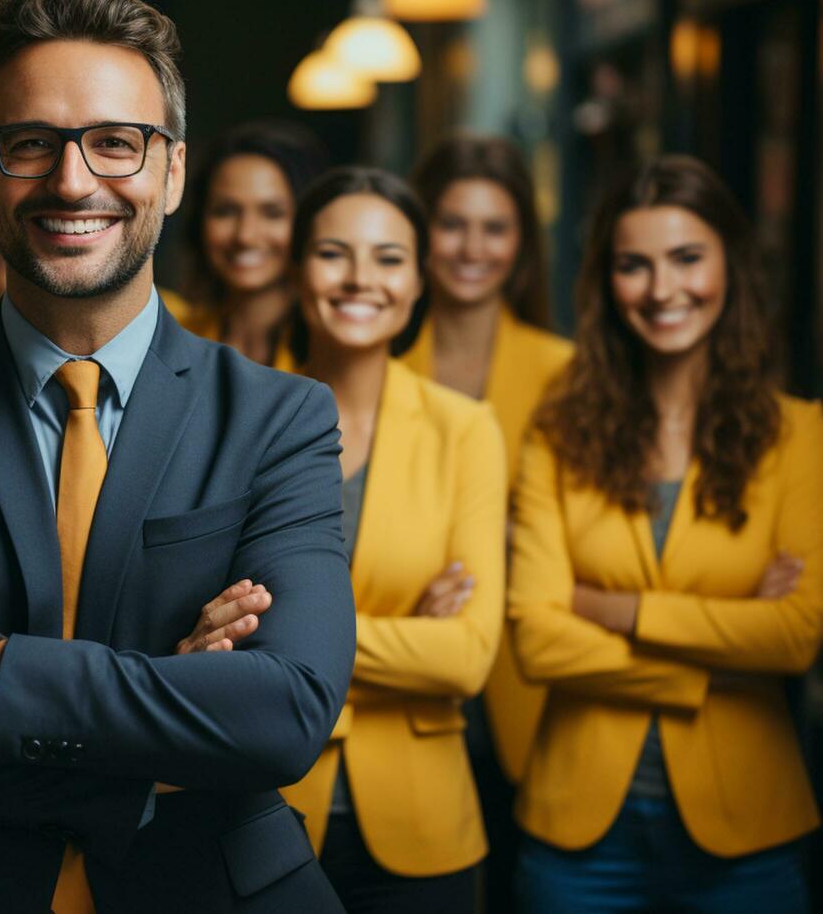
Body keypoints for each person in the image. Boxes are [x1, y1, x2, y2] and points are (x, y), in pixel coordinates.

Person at [0, 0, 354, 912]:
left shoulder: (280, 418)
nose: (71, 180)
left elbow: (283, 713)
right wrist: (155, 743)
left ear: (172, 172)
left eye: (115, 144)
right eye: (30, 144)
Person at [508, 155, 823, 912]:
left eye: (687, 258)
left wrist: (613, 609)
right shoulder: (558, 432)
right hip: (577, 832)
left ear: (731, 268)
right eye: (634, 266)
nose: (662, 290)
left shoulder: (800, 435)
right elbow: (538, 637)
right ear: (607, 284)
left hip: (749, 828)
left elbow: (794, 637)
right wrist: (715, 660)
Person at [279, 168, 505, 913]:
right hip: (256, 810)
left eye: (387, 258)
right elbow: (193, 636)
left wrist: (288, 647)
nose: (359, 279)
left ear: (417, 283)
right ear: (297, 268)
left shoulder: (464, 430)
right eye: (334, 253)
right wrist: (407, 639)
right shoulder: (237, 414)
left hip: (423, 829)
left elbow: (469, 655)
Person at [401, 135, 572, 910]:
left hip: (534, 680)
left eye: (495, 228)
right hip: (407, 657)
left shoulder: (568, 372)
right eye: (452, 224)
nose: (472, 248)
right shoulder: (373, 358)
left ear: (522, 246)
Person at [180, 120, 329, 369]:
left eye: (273, 213)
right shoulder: (175, 339)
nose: (245, 236)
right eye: (225, 211)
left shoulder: (336, 348)